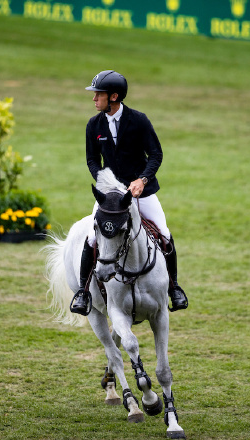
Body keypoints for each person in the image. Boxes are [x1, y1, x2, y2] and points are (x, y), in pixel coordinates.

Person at [70, 70, 188, 316]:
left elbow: (156, 154)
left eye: (98, 95)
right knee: (92, 238)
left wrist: (142, 180)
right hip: (110, 196)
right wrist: (106, 182)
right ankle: (82, 291)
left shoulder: (139, 120)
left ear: (114, 96)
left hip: (141, 193)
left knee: (164, 234)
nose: (93, 99)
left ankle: (174, 288)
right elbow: (92, 160)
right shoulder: (94, 125)